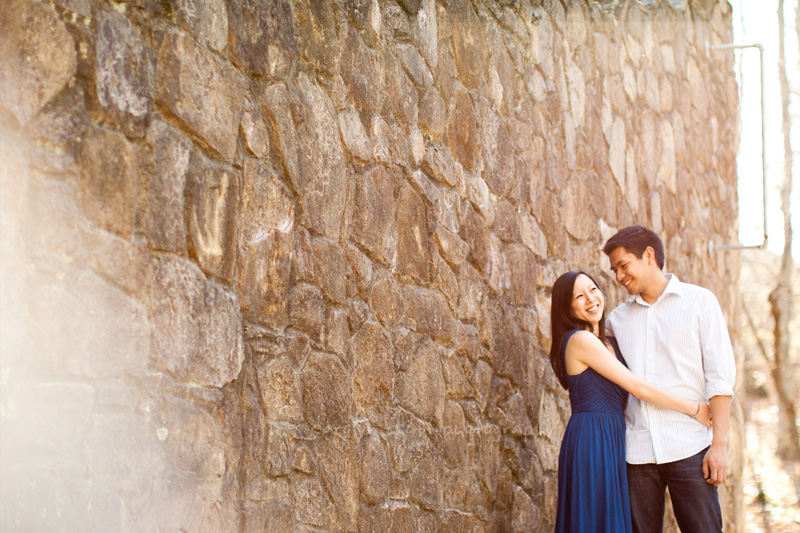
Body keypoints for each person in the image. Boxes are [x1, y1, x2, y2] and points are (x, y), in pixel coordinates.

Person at [550, 270, 712, 533]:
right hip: (591, 440)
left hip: (612, 437)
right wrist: (695, 409)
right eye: (579, 296)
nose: (591, 299)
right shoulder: (579, 340)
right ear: (567, 307)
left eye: (593, 289)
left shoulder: (608, 340)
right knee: (594, 519)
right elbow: (637, 386)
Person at [602, 225, 736, 533]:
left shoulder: (700, 302)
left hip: (689, 446)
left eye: (624, 266)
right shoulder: (616, 321)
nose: (619, 276)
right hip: (636, 453)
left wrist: (719, 447)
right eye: (614, 270)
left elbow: (720, 378)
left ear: (649, 256)